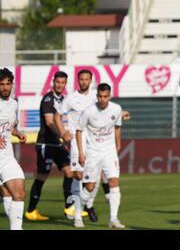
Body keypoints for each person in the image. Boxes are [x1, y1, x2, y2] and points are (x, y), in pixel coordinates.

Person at [25, 71, 74, 221]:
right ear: (53, 82)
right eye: (57, 82)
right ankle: (31, 211)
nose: (60, 85)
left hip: (57, 144)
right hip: (46, 143)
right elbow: (49, 122)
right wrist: (63, 134)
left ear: (66, 84)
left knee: (69, 172)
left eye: (62, 82)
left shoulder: (64, 99)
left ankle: (69, 208)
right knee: (42, 176)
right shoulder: (48, 99)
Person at [75, 83, 124, 229]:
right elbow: (78, 131)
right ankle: (78, 214)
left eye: (105, 96)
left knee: (114, 183)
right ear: (97, 96)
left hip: (109, 152)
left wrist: (118, 144)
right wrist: (81, 152)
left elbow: (117, 127)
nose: (102, 99)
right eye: (100, 96)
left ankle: (113, 219)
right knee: (89, 187)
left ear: (109, 96)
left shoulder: (116, 109)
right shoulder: (88, 111)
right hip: (93, 153)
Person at [54, 70, 99, 221]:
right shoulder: (71, 98)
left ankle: (86, 204)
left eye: (87, 79)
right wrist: (63, 132)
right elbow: (57, 115)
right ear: (78, 80)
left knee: (94, 178)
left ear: (91, 80)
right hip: (76, 140)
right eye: (81, 79)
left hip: (94, 140)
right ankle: (77, 215)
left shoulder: (96, 97)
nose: (84, 82)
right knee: (78, 175)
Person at [0, 68, 27, 230]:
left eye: (7, 84)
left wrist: (18, 133)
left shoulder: (14, 104)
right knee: (7, 194)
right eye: (1, 84)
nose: (4, 87)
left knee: (18, 193)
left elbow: (10, 127)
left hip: (6, 157)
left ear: (12, 85)